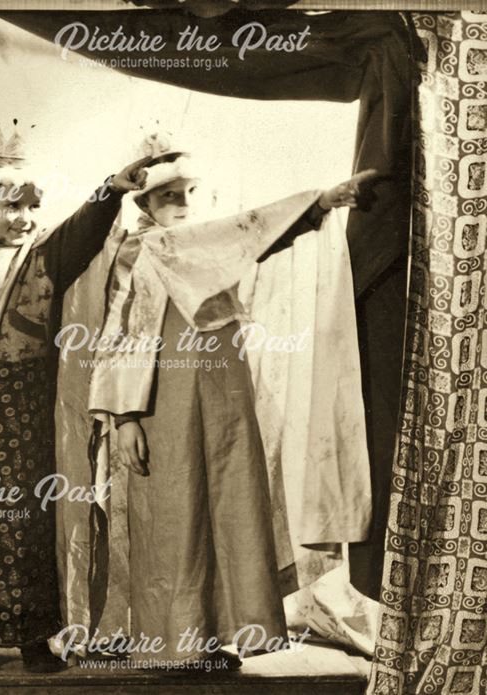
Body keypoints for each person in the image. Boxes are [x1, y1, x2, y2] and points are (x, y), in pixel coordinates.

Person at [87, 130, 378, 671]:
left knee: (230, 501)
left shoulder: (202, 246)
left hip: (224, 391)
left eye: (190, 193)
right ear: (145, 202)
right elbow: (120, 334)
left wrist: (321, 206)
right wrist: (124, 417)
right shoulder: (140, 250)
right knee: (176, 509)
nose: (184, 204)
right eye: (170, 195)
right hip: (164, 398)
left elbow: (254, 237)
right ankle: (173, 645)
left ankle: (215, 636)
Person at [0, 117, 152, 674]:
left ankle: (31, 640)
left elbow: (83, 230)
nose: (23, 218)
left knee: (29, 521)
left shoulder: (44, 254)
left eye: (30, 206)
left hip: (30, 411)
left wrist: (113, 188)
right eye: (9, 206)